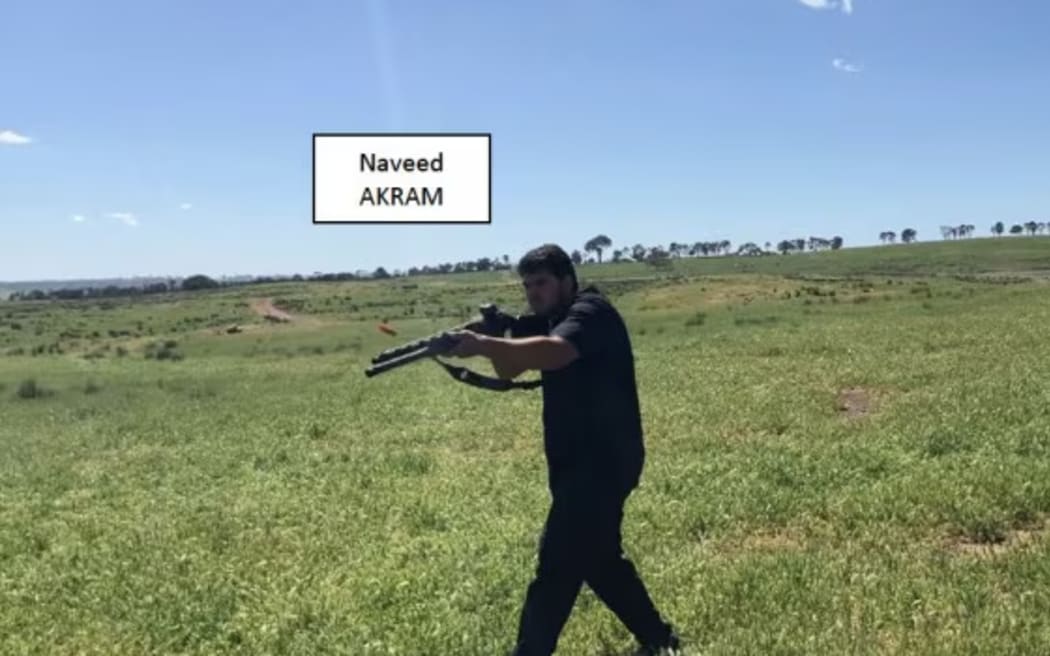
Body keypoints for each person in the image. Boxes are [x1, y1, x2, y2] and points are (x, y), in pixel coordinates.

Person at [448, 244, 682, 656]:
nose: (532, 293)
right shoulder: (551, 321)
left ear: (567, 281)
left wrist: (483, 343)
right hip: (578, 463)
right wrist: (497, 333)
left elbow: (556, 354)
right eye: (526, 286)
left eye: (541, 283)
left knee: (555, 567)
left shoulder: (590, 314)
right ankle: (659, 639)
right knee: (600, 560)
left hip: (602, 463)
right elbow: (511, 368)